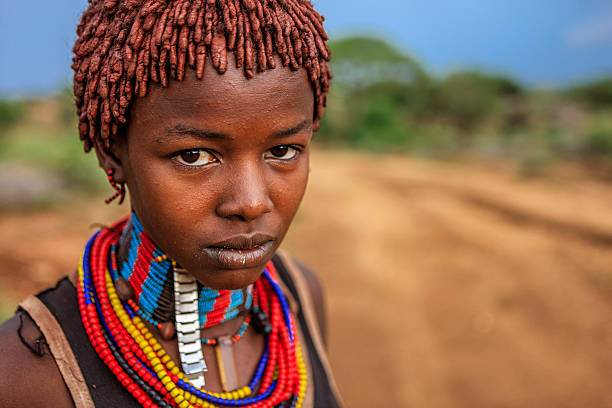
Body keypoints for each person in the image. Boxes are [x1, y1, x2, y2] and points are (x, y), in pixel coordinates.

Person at [0, 0, 343, 407]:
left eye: (283, 150)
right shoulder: (25, 374)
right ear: (113, 152)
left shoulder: (299, 296)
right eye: (194, 156)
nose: (251, 203)